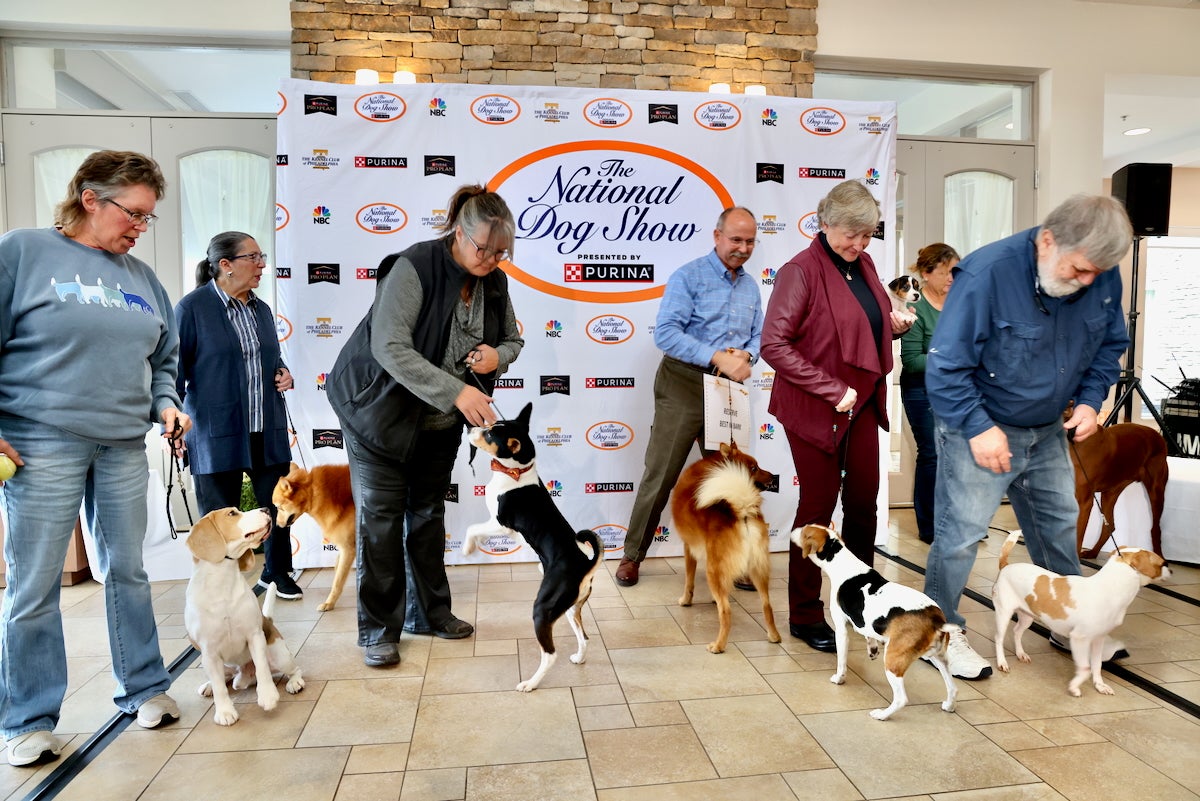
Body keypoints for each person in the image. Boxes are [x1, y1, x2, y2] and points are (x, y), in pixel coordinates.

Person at [0, 150, 190, 767]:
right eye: (132, 212)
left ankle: (144, 687)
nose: (139, 226)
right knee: (33, 586)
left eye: (148, 217)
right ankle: (27, 720)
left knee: (128, 572)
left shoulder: (141, 278)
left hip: (121, 443)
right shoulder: (24, 252)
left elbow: (165, 359)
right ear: (89, 198)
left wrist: (165, 404)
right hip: (38, 440)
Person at [923, 194, 1133, 680]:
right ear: (1046, 240)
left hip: (1047, 429)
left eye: (1096, 274)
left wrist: (1089, 399)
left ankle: (1068, 623)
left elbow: (1109, 345)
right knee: (961, 535)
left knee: (1058, 525)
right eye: (1079, 270)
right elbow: (947, 366)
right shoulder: (986, 275)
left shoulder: (1099, 270)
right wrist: (979, 429)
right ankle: (940, 633)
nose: (1087, 281)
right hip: (979, 423)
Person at [326, 184, 524, 667]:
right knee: (382, 522)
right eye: (485, 249)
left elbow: (512, 339)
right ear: (459, 232)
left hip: (437, 421)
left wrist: (499, 354)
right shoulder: (413, 266)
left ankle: (430, 614)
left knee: (429, 515)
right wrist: (458, 390)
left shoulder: (494, 280)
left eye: (503, 252)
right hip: (377, 414)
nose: (493, 260)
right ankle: (377, 630)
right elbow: (390, 348)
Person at [760, 180, 912, 653]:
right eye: (851, 233)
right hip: (813, 408)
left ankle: (863, 602)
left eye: (867, 235)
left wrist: (891, 325)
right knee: (817, 512)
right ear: (824, 223)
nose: (860, 244)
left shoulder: (863, 264)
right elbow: (773, 345)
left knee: (865, 503)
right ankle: (805, 614)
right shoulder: (799, 271)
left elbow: (858, 325)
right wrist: (832, 390)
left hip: (861, 403)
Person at [615, 207, 763, 587]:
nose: (742, 248)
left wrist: (748, 354)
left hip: (727, 391)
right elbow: (665, 333)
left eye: (749, 241)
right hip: (683, 383)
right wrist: (716, 357)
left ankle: (737, 559)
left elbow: (758, 336)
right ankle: (632, 556)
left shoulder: (750, 287)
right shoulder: (688, 277)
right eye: (735, 239)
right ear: (717, 236)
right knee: (661, 474)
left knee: (732, 480)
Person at [174, 232, 302, 599]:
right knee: (218, 517)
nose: (262, 264)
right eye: (254, 257)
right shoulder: (192, 309)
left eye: (262, 257)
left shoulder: (261, 309)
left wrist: (283, 373)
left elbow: (266, 360)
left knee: (278, 506)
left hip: (265, 426)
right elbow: (175, 373)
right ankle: (221, 586)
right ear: (225, 265)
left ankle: (277, 574)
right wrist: (177, 425)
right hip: (216, 432)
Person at [899, 243, 960, 544]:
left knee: (956, 457)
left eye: (955, 272)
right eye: (946, 272)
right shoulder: (915, 308)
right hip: (921, 391)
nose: (952, 278)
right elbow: (911, 362)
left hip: (957, 391)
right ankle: (930, 527)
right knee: (932, 455)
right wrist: (950, 357)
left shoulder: (960, 303)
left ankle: (957, 522)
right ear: (926, 273)